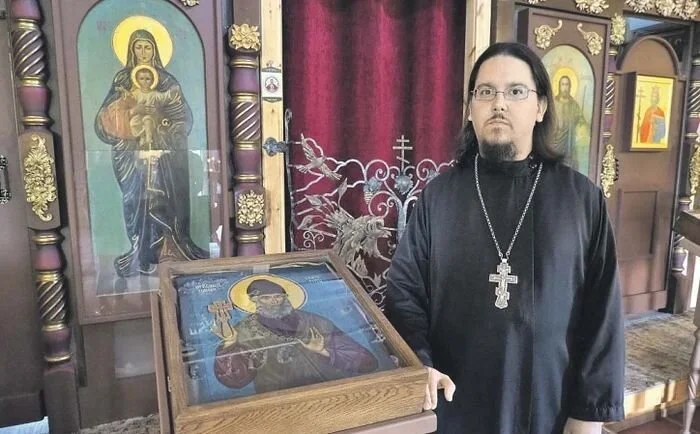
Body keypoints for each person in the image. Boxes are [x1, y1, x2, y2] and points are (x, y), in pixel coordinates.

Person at [385, 42, 624, 434]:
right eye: (485, 92)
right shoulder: (438, 197)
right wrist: (419, 363)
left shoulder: (581, 199)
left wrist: (588, 415)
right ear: (470, 109)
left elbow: (603, 312)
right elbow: (404, 291)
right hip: (453, 402)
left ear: (541, 107)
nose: (499, 103)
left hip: (549, 403)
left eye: (515, 91)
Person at [95, 29, 208, 277]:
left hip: (165, 157)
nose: (143, 52)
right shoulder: (123, 81)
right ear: (131, 50)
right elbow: (107, 120)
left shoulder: (167, 82)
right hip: (131, 155)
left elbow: (182, 118)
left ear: (155, 50)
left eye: (147, 47)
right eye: (138, 47)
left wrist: (164, 127)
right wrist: (129, 117)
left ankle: (171, 250)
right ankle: (141, 254)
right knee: (136, 201)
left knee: (166, 201)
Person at [213, 278, 380, 394]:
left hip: (328, 393)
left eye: (278, 297)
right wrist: (229, 344)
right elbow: (234, 380)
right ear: (254, 301)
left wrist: (323, 350)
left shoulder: (314, 322)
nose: (274, 302)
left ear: (286, 298)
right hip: (278, 402)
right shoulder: (244, 331)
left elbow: (367, 362)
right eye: (266, 298)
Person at [553, 75, 586, 170]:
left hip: (569, 143)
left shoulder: (574, 105)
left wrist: (581, 123)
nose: (564, 88)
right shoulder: (553, 104)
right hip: (554, 141)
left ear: (570, 87)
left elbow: (581, 121)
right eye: (562, 84)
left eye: (566, 85)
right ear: (559, 86)